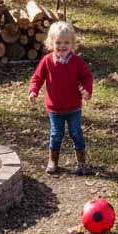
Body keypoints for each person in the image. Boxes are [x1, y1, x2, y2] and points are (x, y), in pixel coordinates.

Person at [29, 21, 93, 175]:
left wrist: (87, 91)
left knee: (76, 132)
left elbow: (87, 77)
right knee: (56, 134)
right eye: (58, 42)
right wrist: (33, 91)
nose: (62, 46)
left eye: (66, 42)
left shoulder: (77, 62)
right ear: (51, 43)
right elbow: (37, 78)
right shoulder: (47, 61)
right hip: (55, 108)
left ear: (72, 44)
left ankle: (81, 162)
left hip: (73, 107)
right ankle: (53, 160)